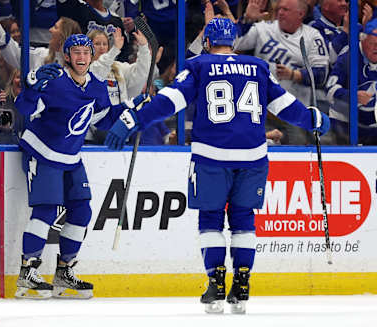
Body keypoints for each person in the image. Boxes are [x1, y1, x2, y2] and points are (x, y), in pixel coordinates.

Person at [104, 17, 330, 314]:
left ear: (208, 42)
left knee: (211, 219)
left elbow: (171, 101)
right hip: (252, 158)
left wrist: (133, 120)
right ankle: (243, 282)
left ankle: (216, 282)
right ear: (234, 42)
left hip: (211, 158)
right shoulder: (259, 67)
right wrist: (312, 118)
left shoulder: (199, 65)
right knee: (244, 219)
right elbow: (285, 106)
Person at [13, 34, 149, 299]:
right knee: (46, 210)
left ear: (92, 56)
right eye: (76, 52)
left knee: (82, 211)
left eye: (86, 53)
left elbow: (105, 119)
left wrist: (132, 107)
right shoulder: (52, 81)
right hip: (42, 154)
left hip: (71, 158)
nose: (82, 57)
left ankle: (64, 272)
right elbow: (24, 108)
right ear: (67, 56)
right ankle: (27, 272)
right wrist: (30, 86)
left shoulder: (96, 87)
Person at [233, 0, 329, 144]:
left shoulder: (312, 36)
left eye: (285, 9)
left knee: (297, 157)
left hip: (294, 112)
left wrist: (294, 75)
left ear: (300, 14)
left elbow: (322, 74)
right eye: (279, 9)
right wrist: (247, 20)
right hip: (262, 112)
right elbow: (233, 44)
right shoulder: (263, 29)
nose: (280, 13)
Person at [326, 18, 377, 145]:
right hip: (344, 123)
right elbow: (330, 90)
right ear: (363, 40)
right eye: (373, 43)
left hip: (372, 125)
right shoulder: (349, 57)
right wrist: (352, 96)